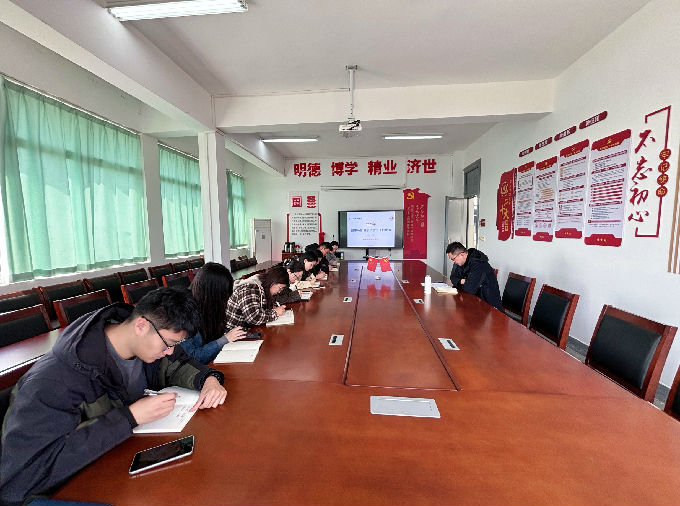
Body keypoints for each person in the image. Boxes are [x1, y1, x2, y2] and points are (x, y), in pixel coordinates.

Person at [0, 288, 227, 506]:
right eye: (168, 344)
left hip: (113, 462)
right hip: (51, 493)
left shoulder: (145, 343)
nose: (170, 351)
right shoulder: (52, 382)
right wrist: (129, 417)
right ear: (141, 325)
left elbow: (178, 363)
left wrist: (208, 379)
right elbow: (24, 477)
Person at [181, 262, 247, 364]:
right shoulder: (184, 312)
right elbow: (193, 358)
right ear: (213, 294)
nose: (225, 302)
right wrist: (225, 339)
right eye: (223, 296)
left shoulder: (207, 306)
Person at [224, 266, 289, 329]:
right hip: (233, 331)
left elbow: (259, 308)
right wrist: (275, 313)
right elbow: (253, 318)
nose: (279, 292)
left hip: (247, 328)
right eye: (280, 288)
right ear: (273, 282)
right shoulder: (250, 289)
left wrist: (272, 309)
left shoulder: (264, 286)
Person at [446, 242, 503, 311]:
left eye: (453, 259)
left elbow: (470, 289)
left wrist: (461, 282)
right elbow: (453, 278)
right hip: (474, 300)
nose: (453, 261)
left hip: (489, 305)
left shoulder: (478, 263)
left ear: (461, 254)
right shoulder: (460, 262)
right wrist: (462, 281)